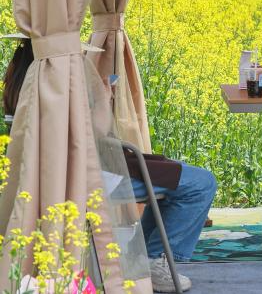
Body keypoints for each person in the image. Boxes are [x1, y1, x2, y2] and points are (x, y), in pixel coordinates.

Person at [2, 38, 216, 292]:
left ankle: (142, 260)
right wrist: (104, 97)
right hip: (92, 175)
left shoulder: (20, 78)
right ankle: (154, 261)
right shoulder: (59, 81)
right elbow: (98, 132)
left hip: (54, 175)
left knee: (175, 174)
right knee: (201, 183)